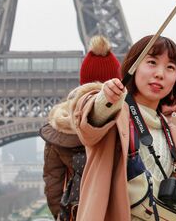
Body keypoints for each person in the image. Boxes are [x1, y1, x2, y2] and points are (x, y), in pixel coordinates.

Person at [54, 35, 176, 220]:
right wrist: (105, 100)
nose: (160, 73)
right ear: (133, 67)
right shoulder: (114, 118)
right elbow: (91, 117)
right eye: (152, 62)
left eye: (170, 67)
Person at [40, 35, 121, 219]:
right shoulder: (126, 120)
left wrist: (63, 215)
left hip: (76, 210)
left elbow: (53, 183)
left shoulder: (60, 127)